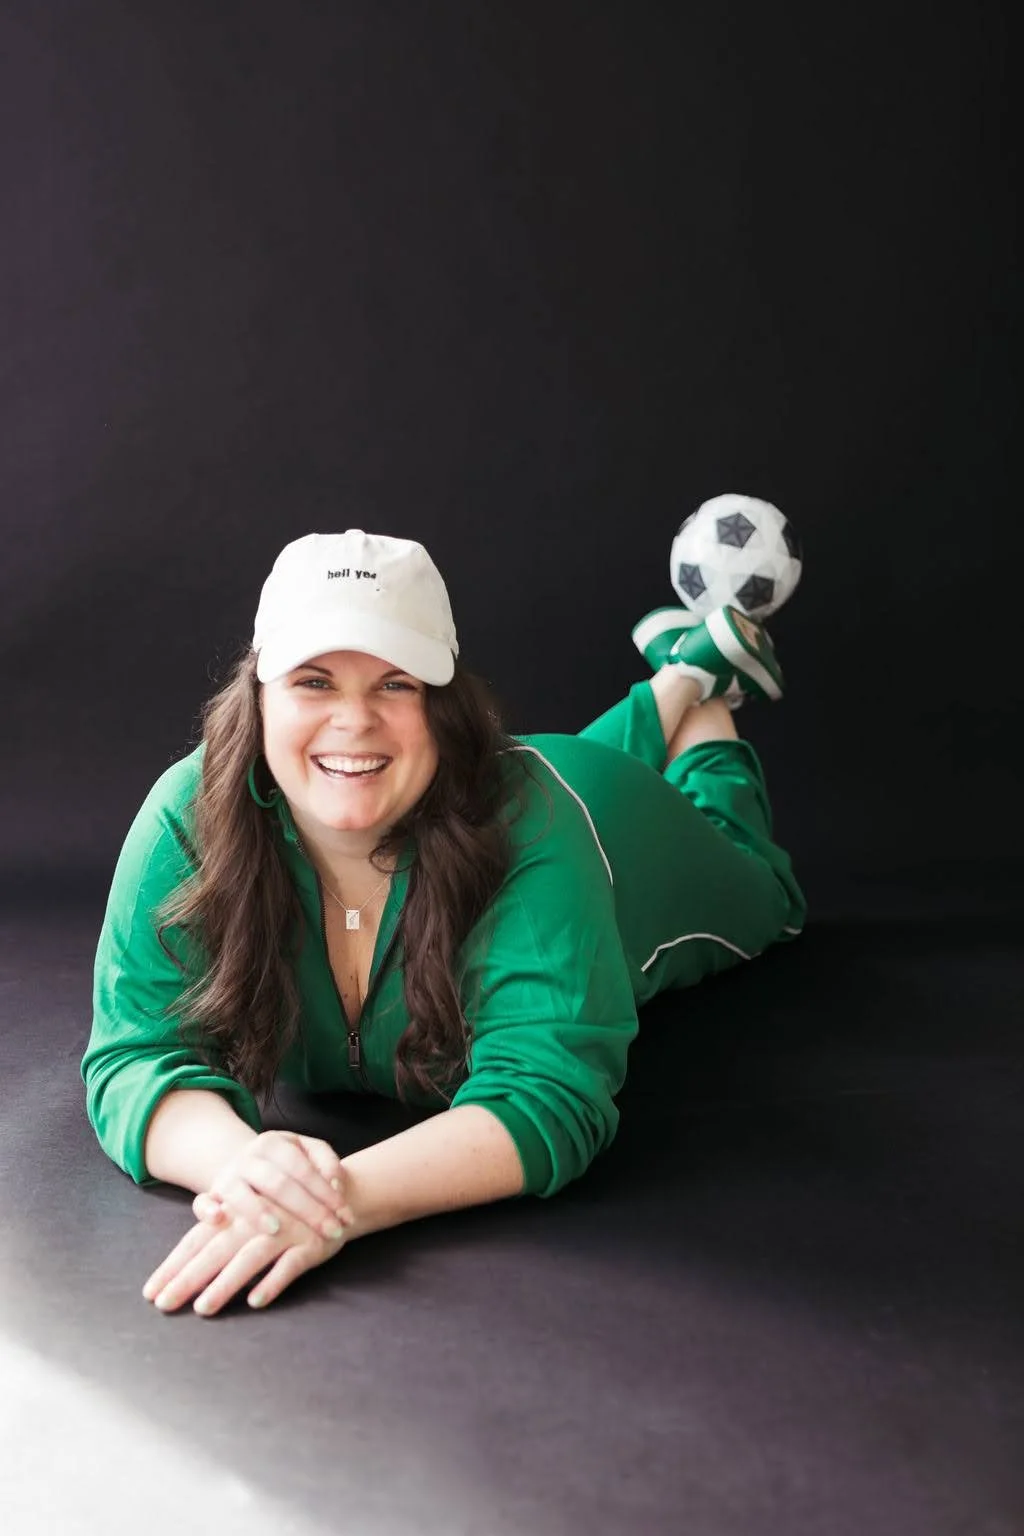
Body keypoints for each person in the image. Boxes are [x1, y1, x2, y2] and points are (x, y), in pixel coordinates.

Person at [83, 527, 805, 1317]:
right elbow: (136, 1054)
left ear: (444, 706)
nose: (353, 720)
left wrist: (332, 1201)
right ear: (258, 696)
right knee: (525, 769)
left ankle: (705, 699)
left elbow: (548, 1094)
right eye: (314, 682)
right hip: (507, 782)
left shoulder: (534, 822)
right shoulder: (190, 816)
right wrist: (247, 1170)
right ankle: (679, 673)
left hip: (610, 822)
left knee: (768, 895)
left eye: (396, 684)